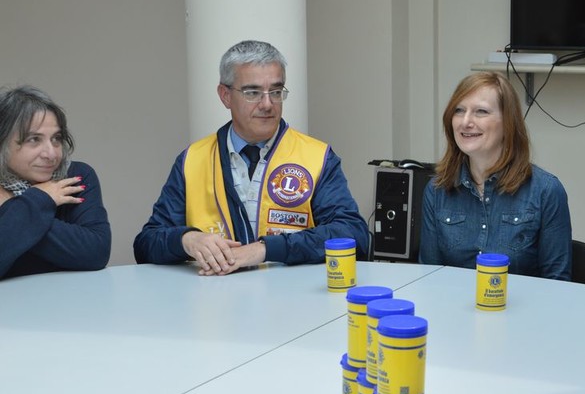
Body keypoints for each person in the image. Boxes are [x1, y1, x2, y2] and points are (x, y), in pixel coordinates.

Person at [134, 40, 369, 275]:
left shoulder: (316, 157)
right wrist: (186, 239)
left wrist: (265, 249)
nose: (267, 104)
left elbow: (353, 234)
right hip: (215, 295)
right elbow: (146, 244)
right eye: (253, 93)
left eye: (275, 92)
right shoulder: (193, 160)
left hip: (294, 294)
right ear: (225, 96)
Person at [419, 71, 572, 280]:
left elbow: (558, 283)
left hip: (524, 303)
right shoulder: (437, 190)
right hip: (451, 302)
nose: (465, 121)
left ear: (508, 123)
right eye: (459, 110)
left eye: (481, 111)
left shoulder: (546, 191)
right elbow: (428, 278)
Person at [0, 85, 111, 278]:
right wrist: (40, 200)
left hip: (71, 296)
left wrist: (18, 206)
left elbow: (96, 252)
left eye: (56, 139)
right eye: (34, 139)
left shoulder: (75, 176)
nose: (51, 154)